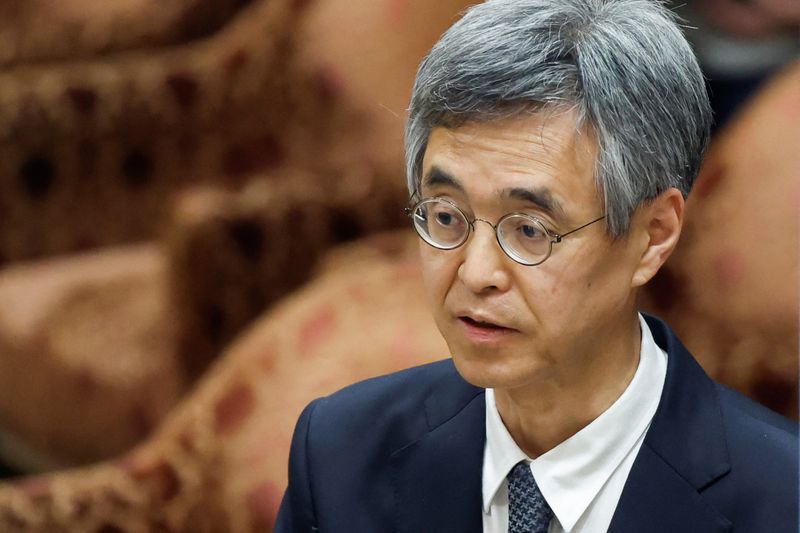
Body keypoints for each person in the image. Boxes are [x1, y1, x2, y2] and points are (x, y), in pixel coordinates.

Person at [275, 0, 798, 531]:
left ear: (652, 236)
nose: (475, 274)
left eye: (529, 230)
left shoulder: (782, 499)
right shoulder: (340, 454)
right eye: (447, 216)